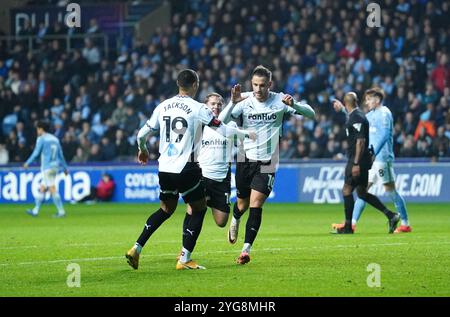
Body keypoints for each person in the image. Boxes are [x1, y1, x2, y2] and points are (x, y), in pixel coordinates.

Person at [125, 69, 254, 270]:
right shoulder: (198, 108)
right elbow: (221, 128)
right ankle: (184, 259)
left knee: (165, 209)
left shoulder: (163, 106)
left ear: (178, 83)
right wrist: (246, 134)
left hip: (165, 168)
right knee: (199, 208)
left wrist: (143, 150)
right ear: (195, 85)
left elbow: (141, 134)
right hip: (186, 167)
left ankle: (136, 248)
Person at [219, 65, 316, 264]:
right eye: (255, 84)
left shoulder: (280, 100)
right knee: (242, 204)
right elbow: (220, 121)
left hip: (268, 160)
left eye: (262, 85)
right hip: (245, 158)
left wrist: (295, 104)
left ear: (269, 84)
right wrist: (232, 103)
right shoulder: (244, 99)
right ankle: (236, 217)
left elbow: (311, 114)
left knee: (256, 204)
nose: (258, 89)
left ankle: (245, 250)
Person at [333, 88, 411, 233]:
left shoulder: (385, 113)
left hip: (382, 159)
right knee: (362, 191)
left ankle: (405, 223)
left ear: (377, 99)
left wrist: (374, 152)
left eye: (369, 99)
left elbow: (385, 134)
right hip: (371, 160)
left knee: (390, 191)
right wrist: (344, 109)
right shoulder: (369, 115)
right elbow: (356, 119)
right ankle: (352, 223)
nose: (367, 102)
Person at [183, 93, 255, 230]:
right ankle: (184, 249)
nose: (216, 106)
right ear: (205, 106)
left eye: (219, 104)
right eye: (213, 104)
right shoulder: (200, 124)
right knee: (193, 210)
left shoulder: (231, 124)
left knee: (221, 221)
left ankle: (209, 202)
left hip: (221, 178)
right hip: (202, 174)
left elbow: (240, 141)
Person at [24, 121, 68, 218]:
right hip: (55, 166)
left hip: (47, 167)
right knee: (42, 188)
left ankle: (61, 211)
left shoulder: (41, 139)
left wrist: (27, 162)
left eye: (37, 129)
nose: (37, 131)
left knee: (52, 188)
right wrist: (65, 168)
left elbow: (36, 153)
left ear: (40, 129)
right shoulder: (55, 139)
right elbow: (61, 155)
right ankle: (35, 210)